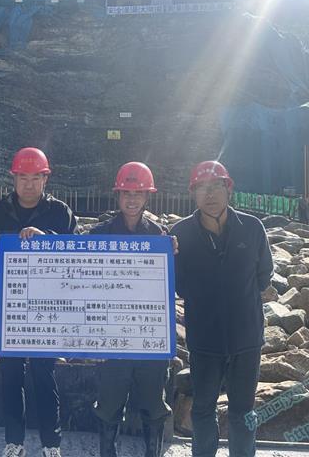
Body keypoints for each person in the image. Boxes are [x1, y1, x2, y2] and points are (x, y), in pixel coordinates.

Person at [0, 147, 77, 457]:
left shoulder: (60, 212)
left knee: (45, 375)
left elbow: (77, 253)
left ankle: (51, 444)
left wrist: (46, 237)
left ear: (45, 179)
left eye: (35, 178)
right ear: (13, 178)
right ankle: (14, 441)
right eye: (23, 178)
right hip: (9, 308)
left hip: (48, 309)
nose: (29, 184)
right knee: (11, 376)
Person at [170, 161, 273, 457]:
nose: (210, 194)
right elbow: (177, 284)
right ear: (193, 193)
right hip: (204, 339)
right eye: (201, 188)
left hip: (246, 337)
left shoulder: (252, 228)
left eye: (216, 186)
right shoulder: (180, 234)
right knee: (203, 409)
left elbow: (264, 275)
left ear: (229, 189)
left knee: (243, 411)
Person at [90, 162, 172, 457]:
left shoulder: (159, 236)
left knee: (153, 403)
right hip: (112, 337)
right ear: (118, 195)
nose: (132, 199)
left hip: (149, 335)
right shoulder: (99, 235)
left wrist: (173, 253)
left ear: (147, 196)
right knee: (109, 403)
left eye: (138, 193)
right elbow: (74, 268)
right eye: (127, 193)